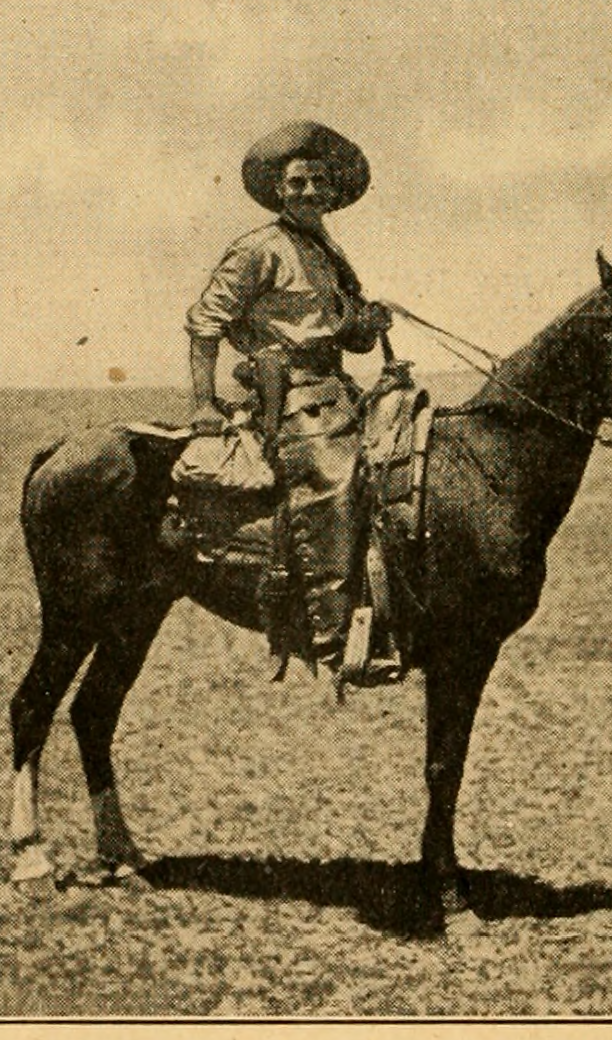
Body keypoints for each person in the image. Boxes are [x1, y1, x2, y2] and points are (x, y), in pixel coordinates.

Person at [185, 121, 391, 663]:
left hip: (334, 387)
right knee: (334, 478)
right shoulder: (258, 249)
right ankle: (333, 631)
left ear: (332, 191)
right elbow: (205, 323)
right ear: (279, 190)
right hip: (289, 395)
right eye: (297, 182)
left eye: (319, 182)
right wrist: (204, 404)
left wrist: (367, 323)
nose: (309, 191)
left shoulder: (326, 251)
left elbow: (349, 338)